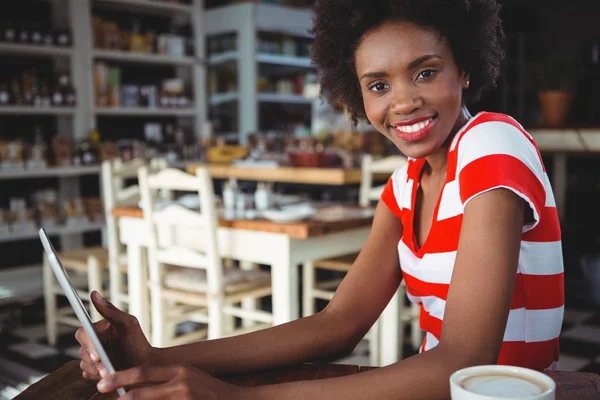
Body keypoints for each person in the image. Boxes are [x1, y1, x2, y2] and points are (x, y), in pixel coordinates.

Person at [76, 0, 564, 398]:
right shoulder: (402, 188)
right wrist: (160, 356)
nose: (402, 102)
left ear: (465, 70)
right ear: (357, 98)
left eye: (425, 72)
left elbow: (463, 361)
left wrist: (239, 399)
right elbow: (338, 324)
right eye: (378, 85)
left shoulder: (492, 143)